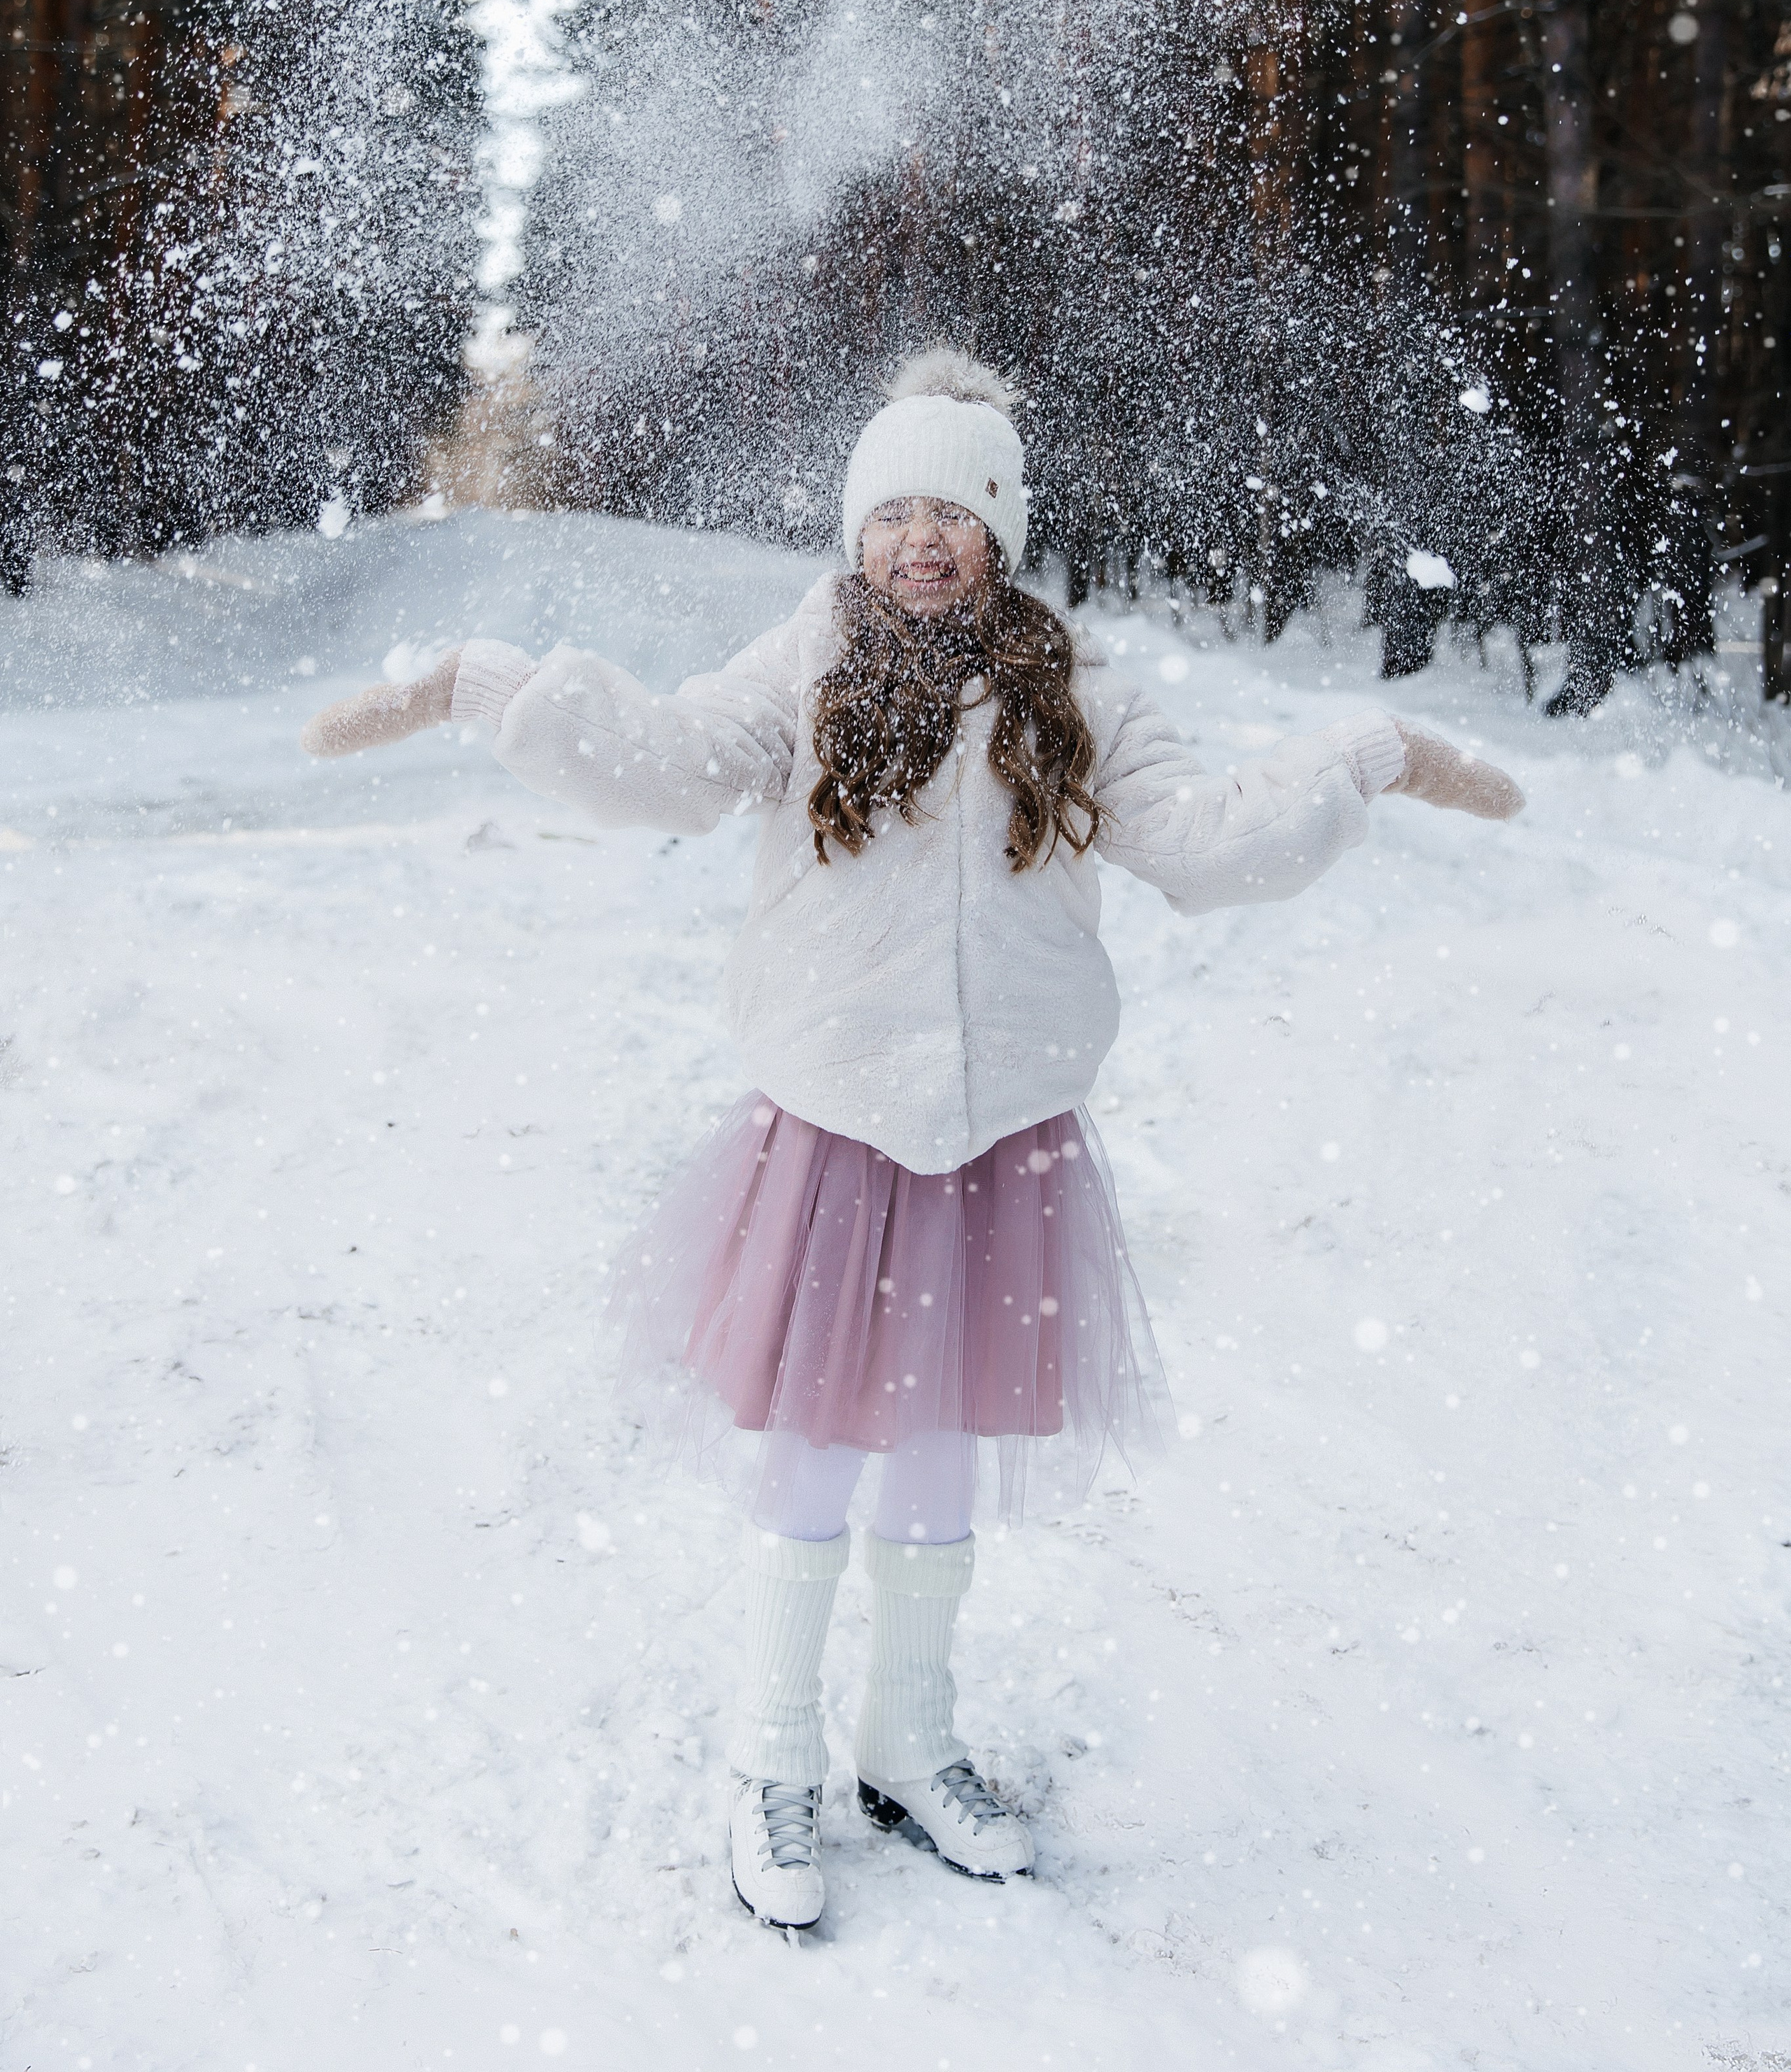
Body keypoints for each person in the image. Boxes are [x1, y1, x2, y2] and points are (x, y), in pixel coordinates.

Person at [302, 347, 1523, 1933]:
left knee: (944, 1442)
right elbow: (668, 765)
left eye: (955, 512)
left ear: (1000, 532)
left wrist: (1365, 758)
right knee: (818, 1440)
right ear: (856, 532)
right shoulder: (802, 664)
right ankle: (771, 1753)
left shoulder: (1072, 692)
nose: (920, 542)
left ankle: (908, 1727)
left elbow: (1206, 848)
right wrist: (492, 685)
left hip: (1004, 1130)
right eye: (893, 514)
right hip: (836, 1121)